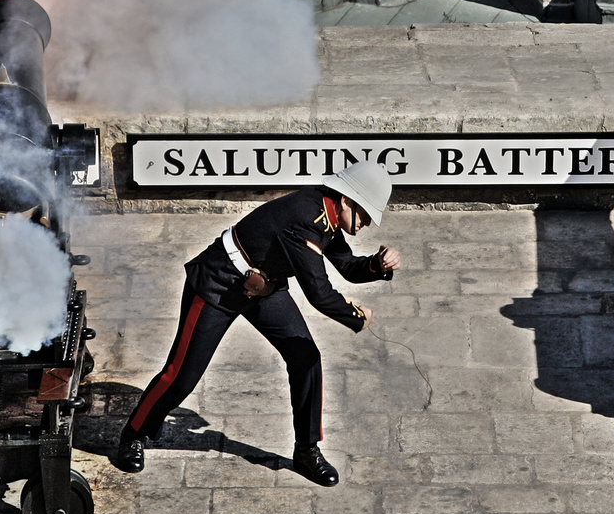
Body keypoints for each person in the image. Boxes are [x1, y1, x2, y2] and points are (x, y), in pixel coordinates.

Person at [112, 160, 400, 485]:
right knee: (181, 376)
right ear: (347, 200)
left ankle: (307, 450)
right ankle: (133, 433)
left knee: (306, 358)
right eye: (363, 215)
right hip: (219, 283)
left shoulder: (328, 215)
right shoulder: (309, 218)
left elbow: (346, 265)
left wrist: (377, 264)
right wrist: (356, 316)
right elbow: (319, 293)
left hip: (266, 287)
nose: (364, 224)